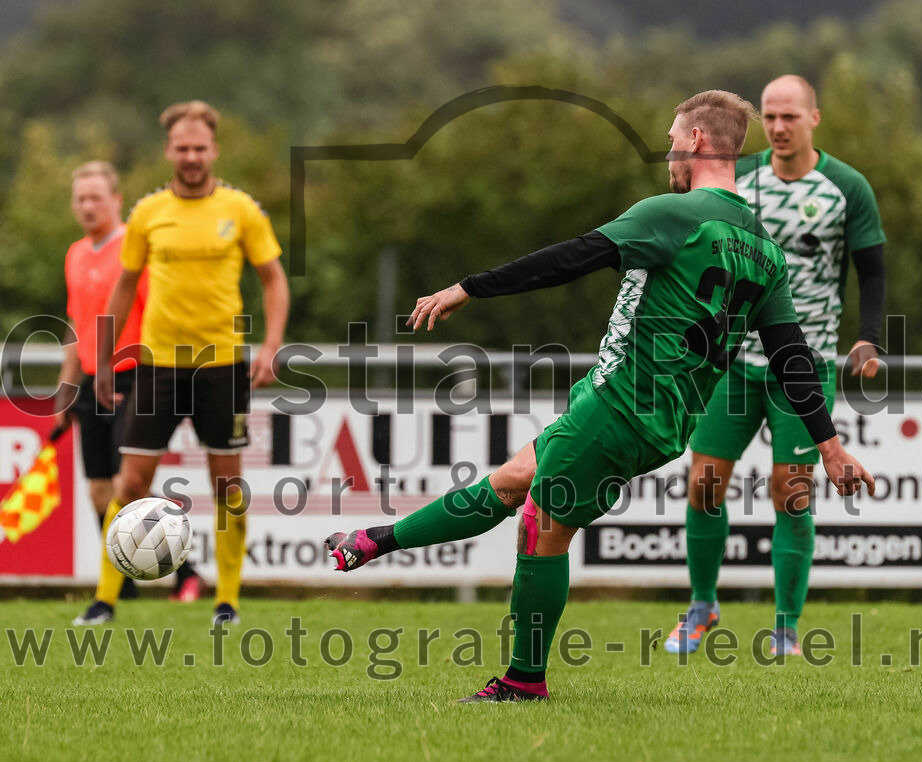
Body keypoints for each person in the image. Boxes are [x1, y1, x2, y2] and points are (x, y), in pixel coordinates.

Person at [324, 90, 874, 702]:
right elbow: (792, 353)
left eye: (671, 136)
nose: (667, 148)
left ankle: (523, 680)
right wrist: (829, 445)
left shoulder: (674, 213)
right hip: (662, 419)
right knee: (513, 481)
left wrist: (469, 289)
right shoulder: (764, 248)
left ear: (695, 141)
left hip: (622, 404)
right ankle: (375, 541)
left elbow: (573, 257)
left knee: (540, 525)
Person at [664, 75, 887, 657]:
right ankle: (701, 606)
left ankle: (785, 627)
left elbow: (874, 270)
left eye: (790, 116)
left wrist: (868, 339)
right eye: (769, 117)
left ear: (814, 117)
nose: (779, 127)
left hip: (802, 363)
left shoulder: (846, 187)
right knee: (705, 483)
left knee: (792, 493)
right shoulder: (743, 181)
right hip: (732, 361)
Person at [73, 101, 289, 627]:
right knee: (130, 484)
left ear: (214, 150)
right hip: (158, 367)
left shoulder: (241, 209)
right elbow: (125, 287)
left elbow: (274, 278)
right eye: (181, 148)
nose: (191, 156)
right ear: (168, 151)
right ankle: (104, 600)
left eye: (199, 147)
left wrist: (272, 345)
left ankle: (228, 601)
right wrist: (103, 359)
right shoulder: (148, 213)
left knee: (227, 485)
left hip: (221, 366)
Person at [58, 161, 144, 612]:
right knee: (97, 488)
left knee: (127, 482)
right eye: (80, 198)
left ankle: (181, 573)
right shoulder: (75, 253)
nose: (88, 206)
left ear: (116, 199)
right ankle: (126, 581)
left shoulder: (135, 245)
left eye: (96, 197)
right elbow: (77, 326)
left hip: (133, 373)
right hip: (92, 380)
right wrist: (65, 388)